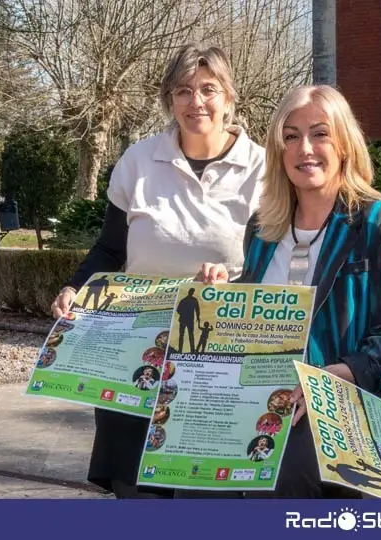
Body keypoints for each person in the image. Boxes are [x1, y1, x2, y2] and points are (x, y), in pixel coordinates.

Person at [49, 43, 266, 499]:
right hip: (137, 349)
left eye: (209, 89)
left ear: (229, 97)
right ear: (169, 99)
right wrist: (75, 288)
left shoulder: (262, 170)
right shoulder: (137, 162)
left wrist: (232, 286)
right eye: (183, 91)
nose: (196, 102)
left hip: (218, 357)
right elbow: (109, 250)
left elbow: (271, 267)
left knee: (206, 500)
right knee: (137, 494)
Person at [196, 84, 381, 498]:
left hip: (346, 403)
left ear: (344, 144)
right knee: (193, 464)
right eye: (291, 136)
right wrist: (219, 298)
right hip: (259, 393)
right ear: (278, 151)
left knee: (286, 459)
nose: (305, 148)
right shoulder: (262, 229)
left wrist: (326, 378)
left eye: (320, 133)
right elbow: (253, 319)